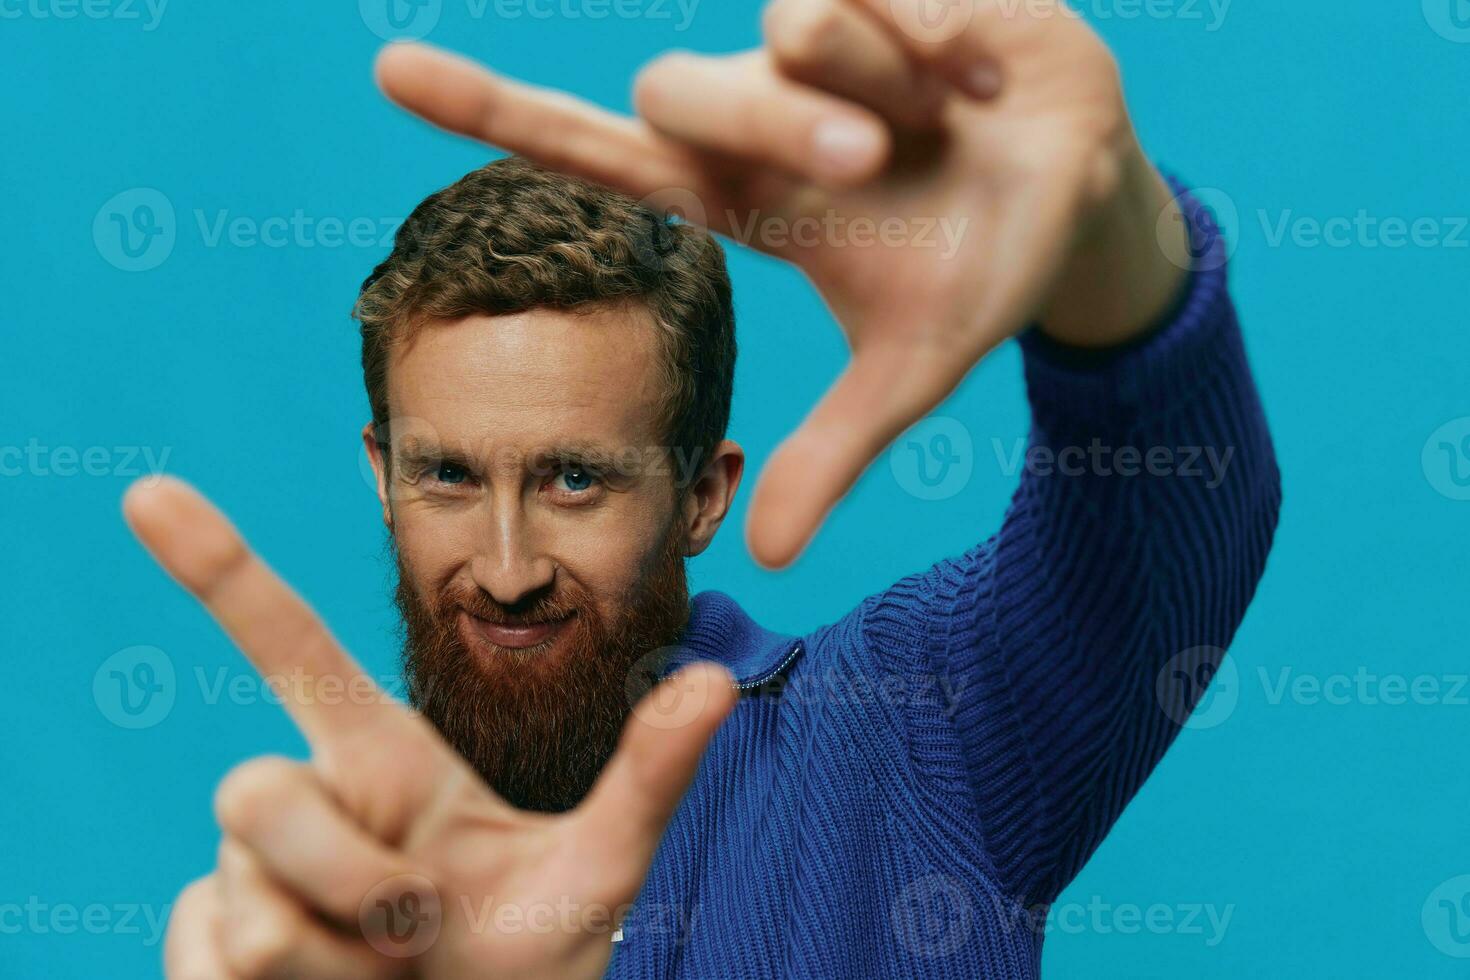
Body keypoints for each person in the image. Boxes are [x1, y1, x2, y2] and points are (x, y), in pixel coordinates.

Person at [134, 2, 1281, 976]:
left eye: (575, 478)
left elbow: (1167, 531)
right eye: (446, 473)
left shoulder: (909, 729)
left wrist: (1103, 241)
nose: (506, 565)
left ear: (702, 494)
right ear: (381, 474)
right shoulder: (332, 907)